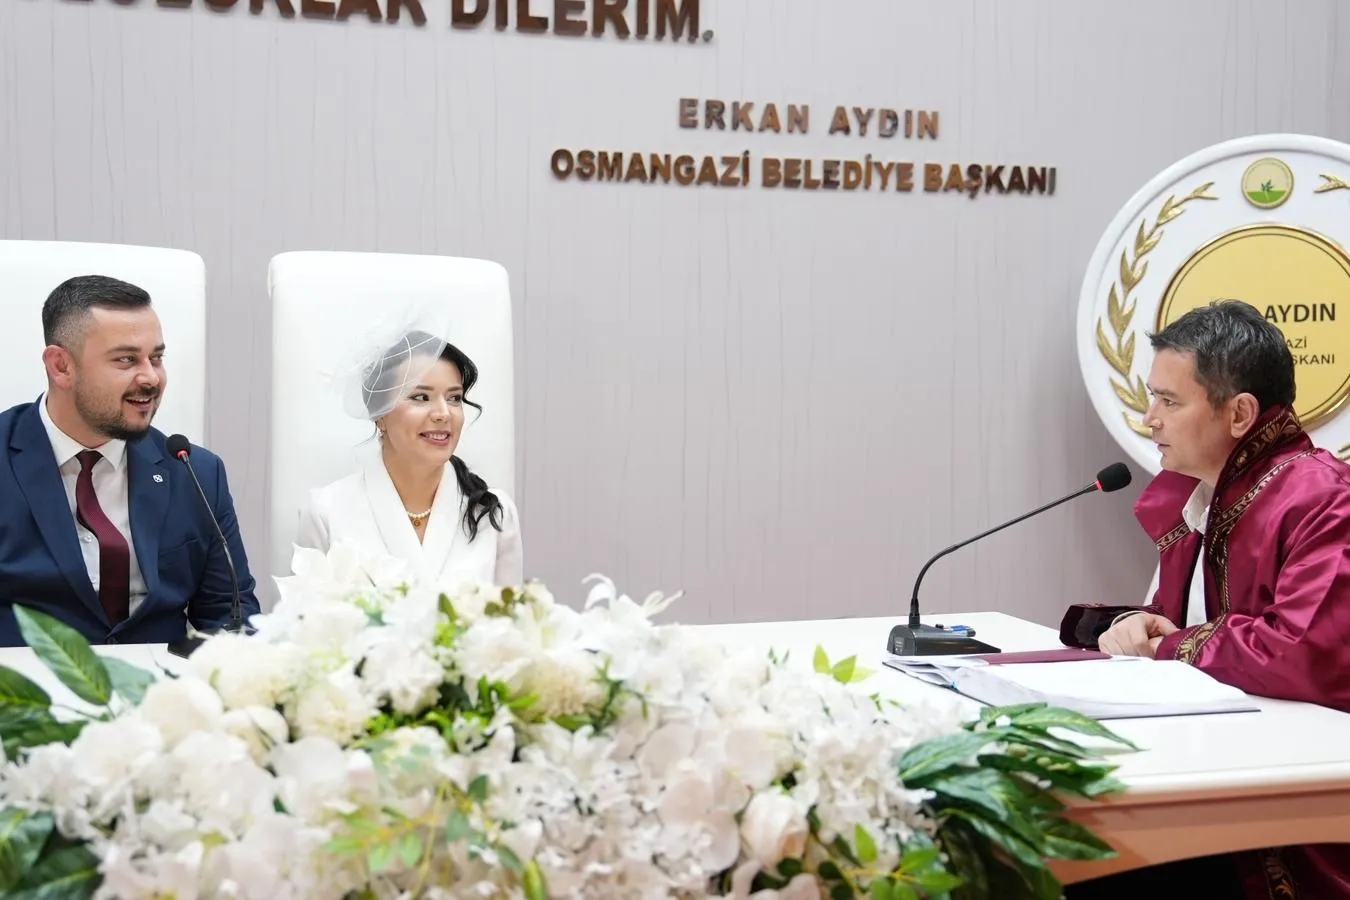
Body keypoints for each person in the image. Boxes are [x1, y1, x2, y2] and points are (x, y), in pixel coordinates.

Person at [1066, 299, 1350, 898]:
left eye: (1169, 402)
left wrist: (1166, 644)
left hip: (1292, 806)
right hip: (1210, 768)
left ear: (1240, 412)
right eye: (1152, 398)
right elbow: (1184, 626)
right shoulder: (1199, 497)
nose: (1150, 419)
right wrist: (1136, 626)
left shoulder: (1325, 499)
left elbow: (1300, 651)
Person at [0, 275, 260, 647]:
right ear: (61, 367)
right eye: (126, 360)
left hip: (161, 680)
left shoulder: (194, 472)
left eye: (156, 358)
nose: (151, 378)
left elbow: (229, 613)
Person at [294, 330, 522, 586]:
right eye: (421, 397)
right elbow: (309, 610)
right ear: (380, 415)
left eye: (454, 398)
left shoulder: (494, 513)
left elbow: (511, 611)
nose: (443, 413)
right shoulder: (327, 512)